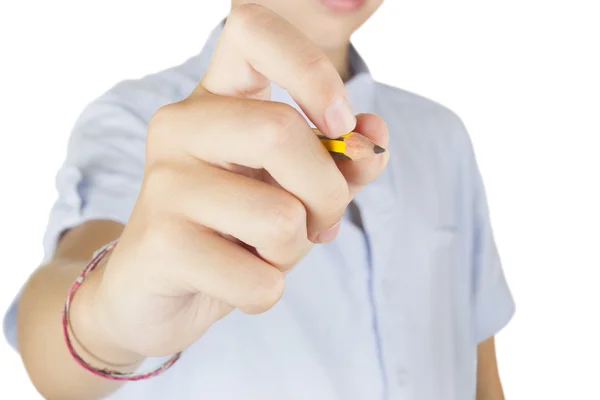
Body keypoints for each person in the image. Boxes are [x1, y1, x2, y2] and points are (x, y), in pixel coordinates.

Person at [4, 1, 515, 399]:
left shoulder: (443, 137)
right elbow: (52, 340)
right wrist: (109, 317)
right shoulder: (136, 119)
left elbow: (478, 368)